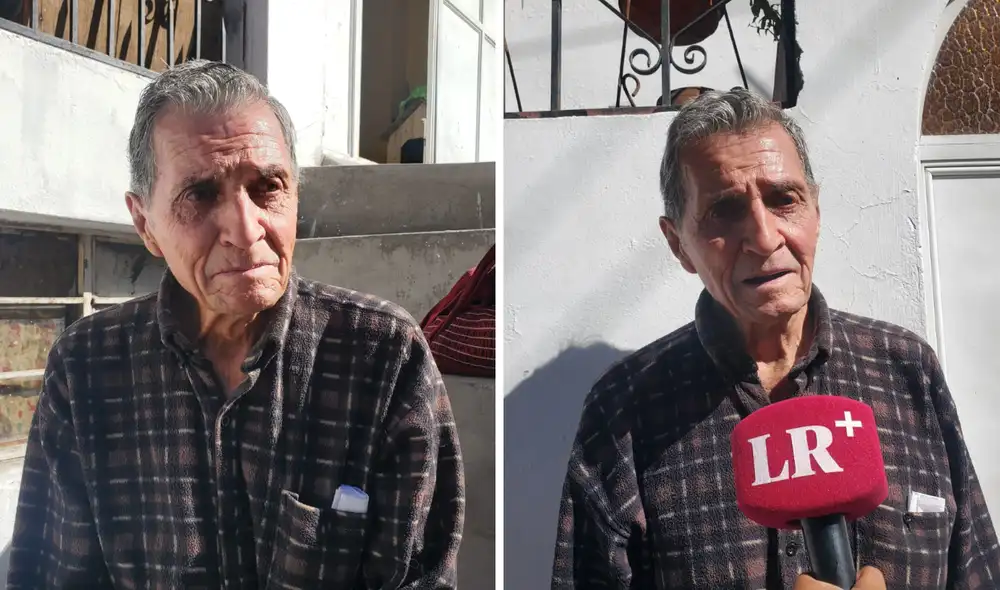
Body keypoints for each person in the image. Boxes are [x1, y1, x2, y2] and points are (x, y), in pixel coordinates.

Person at [7, 60, 464, 588]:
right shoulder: (87, 368)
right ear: (144, 224)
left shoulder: (382, 357)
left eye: (267, 186)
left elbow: (422, 577)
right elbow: (51, 574)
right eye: (200, 194)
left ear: (295, 196)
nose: (246, 231)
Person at [550, 88, 998, 589]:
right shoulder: (624, 410)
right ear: (678, 244)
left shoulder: (907, 369)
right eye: (724, 211)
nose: (764, 238)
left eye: (785, 199)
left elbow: (977, 571)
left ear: (816, 212)